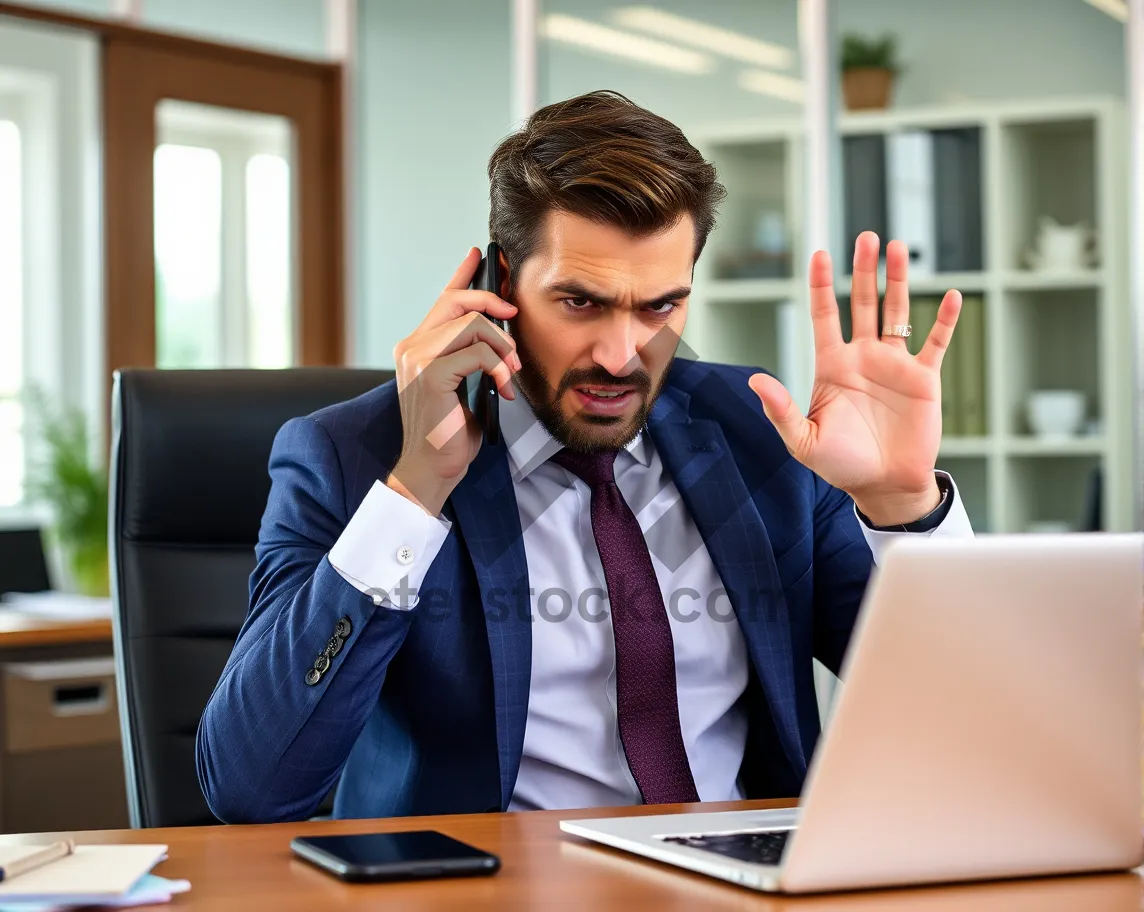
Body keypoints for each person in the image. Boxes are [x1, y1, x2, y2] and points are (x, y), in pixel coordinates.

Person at [196, 90, 972, 824]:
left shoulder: (759, 433)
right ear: (500, 282)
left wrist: (900, 503)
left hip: (747, 884)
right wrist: (413, 492)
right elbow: (251, 787)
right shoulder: (348, 457)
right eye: (580, 302)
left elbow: (959, 717)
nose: (620, 353)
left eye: (660, 306)